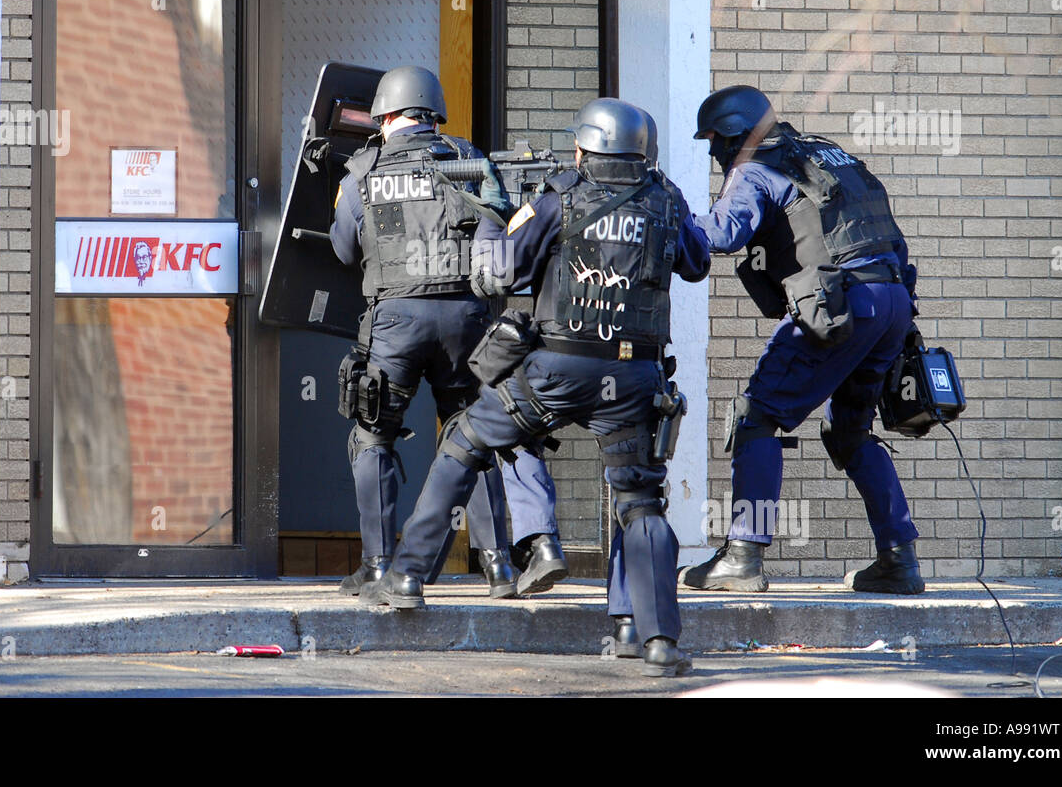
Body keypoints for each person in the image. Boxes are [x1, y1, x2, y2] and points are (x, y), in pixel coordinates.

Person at [361, 98, 710, 678]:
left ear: (583, 147)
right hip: (631, 378)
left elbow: (504, 272)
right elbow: (696, 262)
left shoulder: (560, 193)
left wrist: (499, 214)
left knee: (465, 441)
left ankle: (405, 576)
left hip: (555, 371)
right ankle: (648, 638)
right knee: (639, 502)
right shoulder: (666, 198)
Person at [329, 65, 562, 600]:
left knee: (373, 433)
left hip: (396, 320)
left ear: (386, 116)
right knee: (473, 434)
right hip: (468, 319)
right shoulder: (470, 160)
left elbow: (343, 251)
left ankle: (381, 565)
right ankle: (500, 568)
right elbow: (501, 232)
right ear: (434, 114)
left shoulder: (362, 169)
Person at [680, 85, 924, 594]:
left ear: (734, 135)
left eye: (715, 142)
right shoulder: (830, 154)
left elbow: (722, 234)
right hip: (892, 301)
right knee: (850, 433)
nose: (712, 153)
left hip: (839, 304)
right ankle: (898, 560)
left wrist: (666, 216)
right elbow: (889, 233)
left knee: (756, 419)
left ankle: (743, 556)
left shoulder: (756, 167)